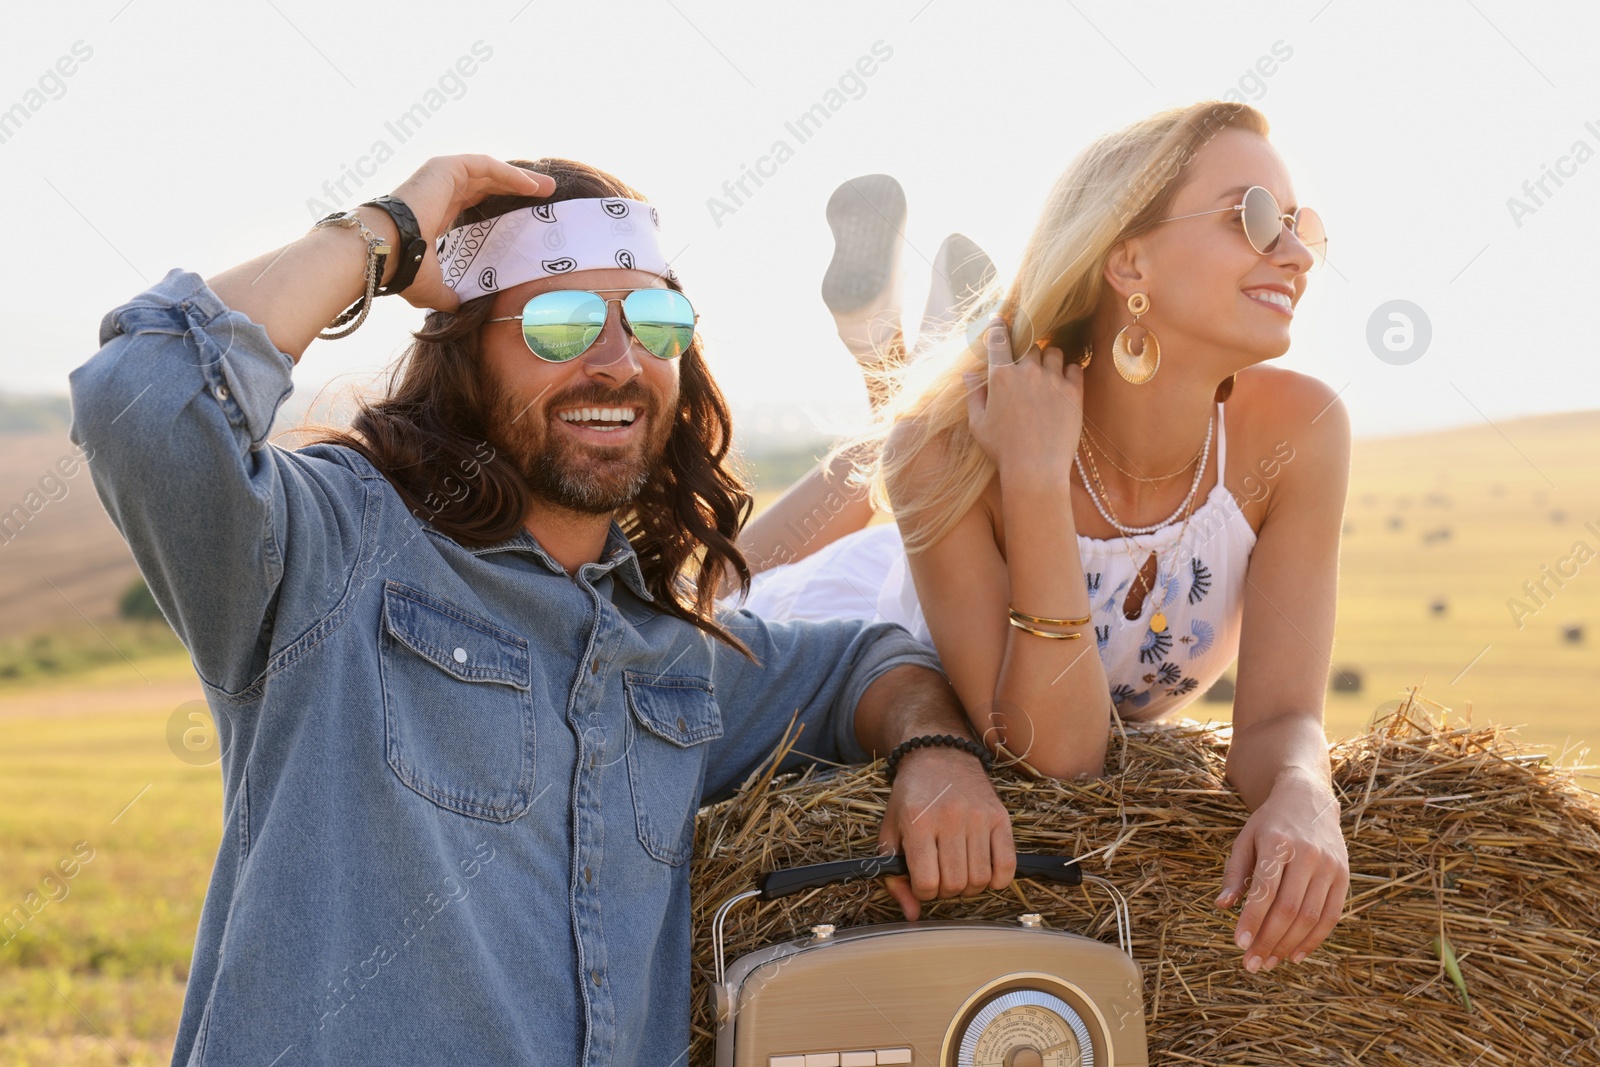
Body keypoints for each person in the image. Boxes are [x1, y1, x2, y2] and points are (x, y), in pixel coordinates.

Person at [68, 154, 1014, 1067]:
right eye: (559, 323)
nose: (617, 360)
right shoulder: (335, 547)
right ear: (466, 353)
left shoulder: (670, 654)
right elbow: (143, 399)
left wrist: (937, 749)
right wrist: (388, 232)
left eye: (655, 321)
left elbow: (866, 666)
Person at [730, 100, 1352, 978]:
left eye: (1302, 227)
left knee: (917, 429)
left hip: (942, 549)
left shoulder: (1302, 430)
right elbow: (1057, 758)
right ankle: (891, 355)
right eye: (1253, 218)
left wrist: (1304, 793)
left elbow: (1282, 720)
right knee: (701, 600)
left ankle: (903, 351)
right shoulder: (959, 453)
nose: (1292, 253)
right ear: (1128, 256)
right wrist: (1031, 476)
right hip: (865, 623)